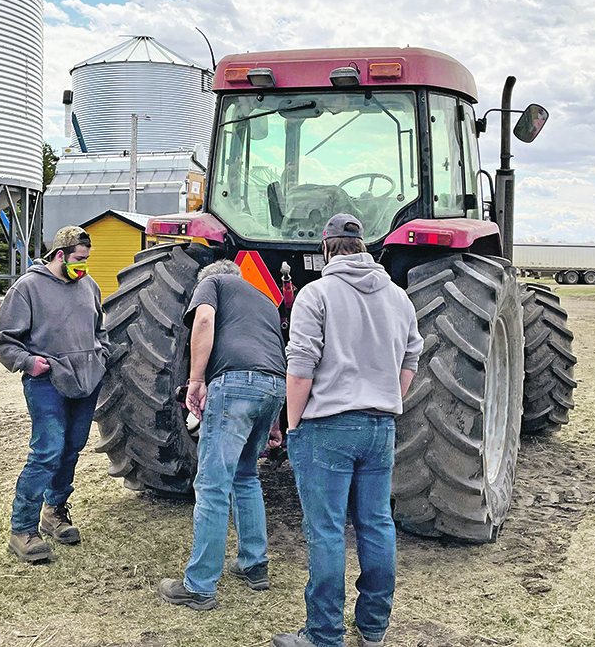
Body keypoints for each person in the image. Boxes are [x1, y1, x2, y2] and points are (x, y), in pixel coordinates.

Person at [273, 214, 423, 647]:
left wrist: (294, 423)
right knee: (376, 525)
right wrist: (388, 399)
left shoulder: (316, 294)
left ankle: (323, 635)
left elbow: (300, 366)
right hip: (380, 425)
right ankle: (373, 628)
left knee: (326, 530)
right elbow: (411, 356)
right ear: (364, 248)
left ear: (326, 249)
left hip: (328, 427)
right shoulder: (399, 298)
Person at [157, 259, 287, 611]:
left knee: (213, 484)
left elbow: (203, 320)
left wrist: (196, 380)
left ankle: (199, 586)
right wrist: (275, 423)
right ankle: (254, 565)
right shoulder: (264, 300)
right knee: (246, 476)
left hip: (234, 384)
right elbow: (277, 357)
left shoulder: (213, 284)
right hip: (274, 387)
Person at [0, 226, 109, 563]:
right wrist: (28, 363)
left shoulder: (89, 286)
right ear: (60, 255)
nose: (83, 266)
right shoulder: (28, 288)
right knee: (47, 450)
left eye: (87, 260)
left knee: (71, 447)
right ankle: (22, 529)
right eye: (79, 260)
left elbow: (100, 330)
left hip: (86, 382)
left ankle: (54, 513)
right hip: (47, 383)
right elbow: (2, 337)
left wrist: (101, 357)